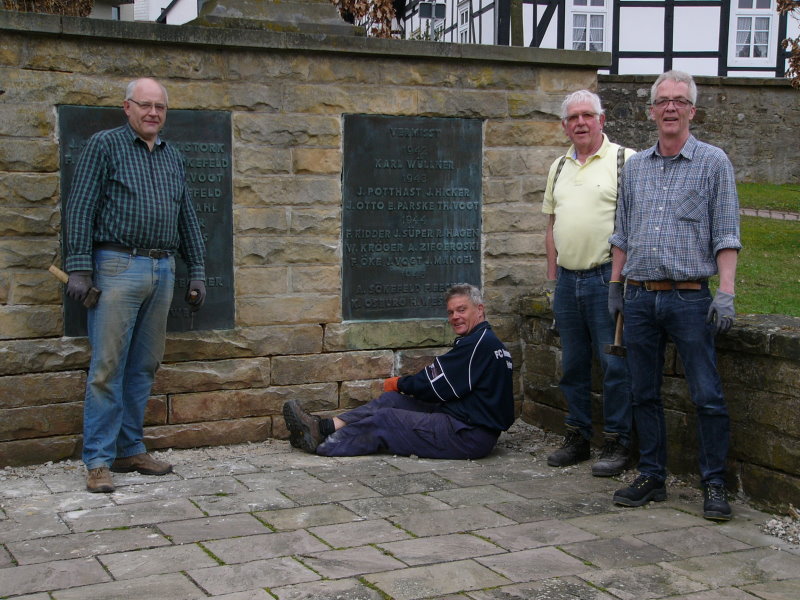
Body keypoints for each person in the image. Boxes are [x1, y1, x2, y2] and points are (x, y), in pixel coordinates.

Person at [608, 70, 740, 521]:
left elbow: (727, 233)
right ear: (651, 111)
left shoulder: (713, 162)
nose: (670, 107)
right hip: (640, 298)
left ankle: (714, 483)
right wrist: (616, 285)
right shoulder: (635, 168)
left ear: (691, 111)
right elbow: (622, 232)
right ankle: (651, 476)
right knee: (642, 392)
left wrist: (726, 292)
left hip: (689, 300)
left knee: (707, 394)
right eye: (662, 101)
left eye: (679, 101)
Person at [64, 77, 207, 493]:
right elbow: (81, 207)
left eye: (160, 107)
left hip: (162, 268)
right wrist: (79, 268)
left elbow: (186, 216)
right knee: (107, 367)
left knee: (144, 365)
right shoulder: (104, 146)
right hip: (116, 265)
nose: (153, 113)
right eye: (145, 105)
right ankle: (98, 459)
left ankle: (129, 448)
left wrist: (197, 269)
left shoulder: (172, 156)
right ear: (127, 107)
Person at [283, 284, 514, 458]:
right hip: (460, 420)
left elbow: (432, 384)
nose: (455, 317)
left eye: (461, 310)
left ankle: (323, 445)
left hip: (468, 435)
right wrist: (399, 389)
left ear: (480, 309)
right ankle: (324, 428)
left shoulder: (478, 344)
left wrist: (399, 383)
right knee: (391, 401)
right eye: (451, 312)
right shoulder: (484, 342)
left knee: (387, 419)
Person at [542, 90, 634, 476]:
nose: (580, 122)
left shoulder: (625, 160)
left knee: (614, 365)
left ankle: (617, 442)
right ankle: (577, 436)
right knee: (573, 365)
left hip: (604, 278)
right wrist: (553, 280)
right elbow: (551, 226)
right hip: (567, 281)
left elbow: (633, 225)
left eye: (587, 115)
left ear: (602, 120)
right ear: (564, 126)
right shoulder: (558, 167)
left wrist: (618, 282)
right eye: (573, 117)